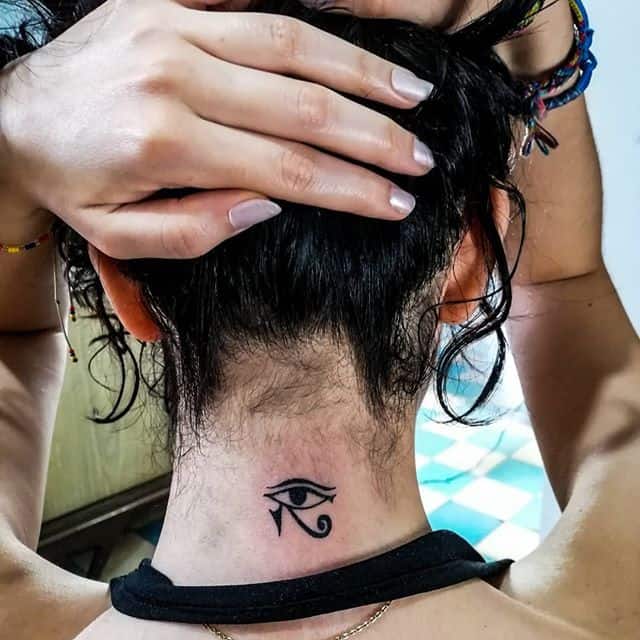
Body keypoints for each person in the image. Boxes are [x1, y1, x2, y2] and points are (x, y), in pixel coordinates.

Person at [0, 1, 638, 640]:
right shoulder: (613, 601)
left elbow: (15, 335)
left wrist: (14, 131)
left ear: (123, 288)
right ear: (471, 262)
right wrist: (538, 24)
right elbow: (564, 283)